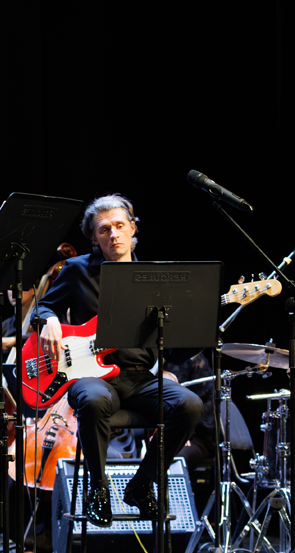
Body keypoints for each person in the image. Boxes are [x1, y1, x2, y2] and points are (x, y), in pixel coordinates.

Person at [35, 194, 203, 527]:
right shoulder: (77, 270)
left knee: (189, 405)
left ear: (133, 228)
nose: (113, 234)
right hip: (90, 375)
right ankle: (98, 490)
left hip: (139, 377)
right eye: (104, 229)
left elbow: (172, 346)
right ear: (93, 237)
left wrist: (194, 333)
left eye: (119, 226)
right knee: (94, 399)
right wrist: (48, 318)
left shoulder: (153, 278)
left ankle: (141, 485)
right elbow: (43, 307)